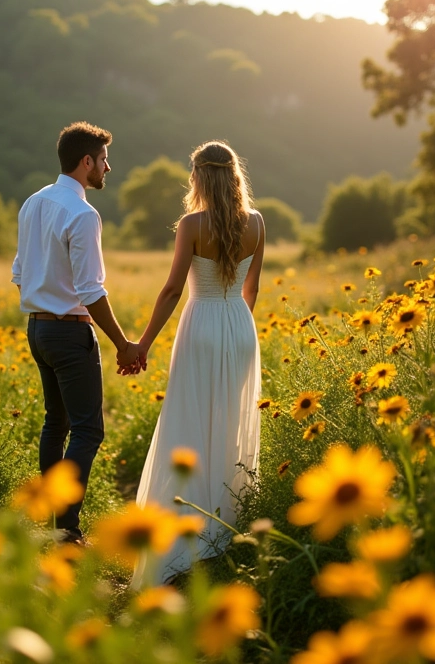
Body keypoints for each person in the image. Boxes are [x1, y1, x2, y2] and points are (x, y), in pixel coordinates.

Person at [131, 140, 264, 587]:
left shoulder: (190, 224)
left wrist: (143, 343)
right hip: (239, 326)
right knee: (229, 423)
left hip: (200, 322)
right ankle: (229, 528)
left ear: (197, 177)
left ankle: (186, 533)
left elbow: (171, 290)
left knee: (189, 423)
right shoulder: (258, 223)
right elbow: (252, 290)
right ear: (234, 176)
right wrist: (237, 328)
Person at [12, 121, 141, 545]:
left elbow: (19, 272)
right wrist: (123, 344)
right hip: (69, 334)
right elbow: (90, 290)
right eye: (104, 160)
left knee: (56, 423)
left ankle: (52, 522)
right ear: (87, 162)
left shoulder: (33, 203)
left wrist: (43, 301)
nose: (108, 167)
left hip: (37, 330)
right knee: (88, 430)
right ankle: (66, 529)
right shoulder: (83, 214)